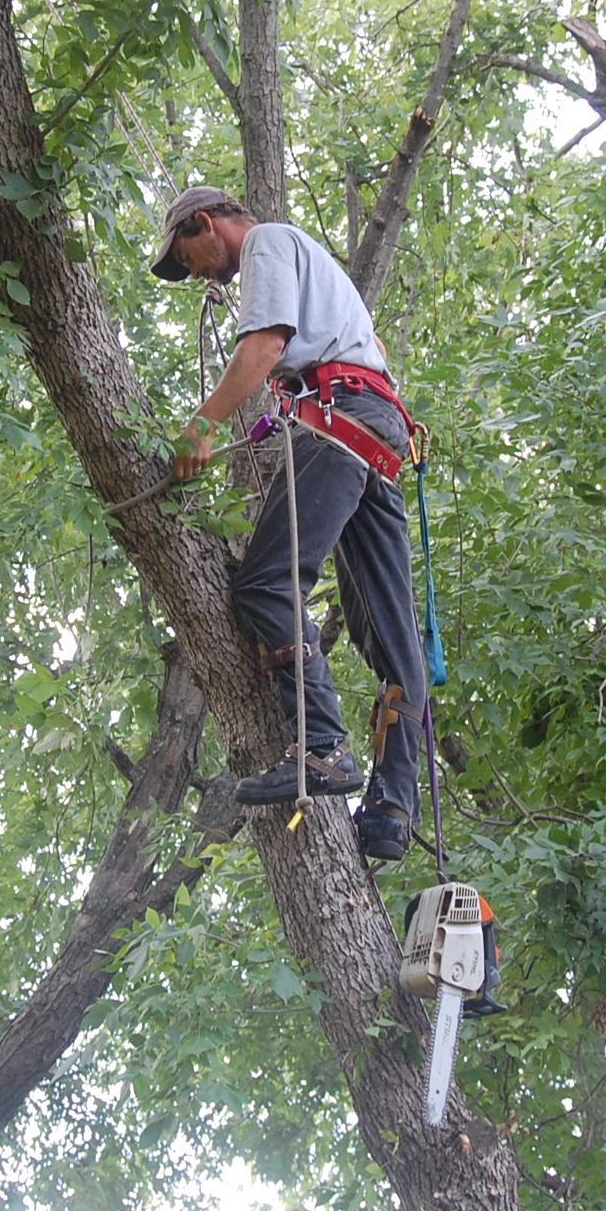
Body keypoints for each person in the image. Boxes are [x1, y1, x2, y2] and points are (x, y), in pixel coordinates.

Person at [151, 185, 426, 862]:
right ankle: (392, 809)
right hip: (376, 429)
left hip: (342, 423)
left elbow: (265, 345)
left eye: (189, 257)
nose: (198, 275)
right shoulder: (319, 272)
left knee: (264, 584)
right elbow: (368, 347)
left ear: (204, 223)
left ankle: (324, 747)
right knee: (389, 635)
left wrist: (202, 426)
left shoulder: (270, 242)